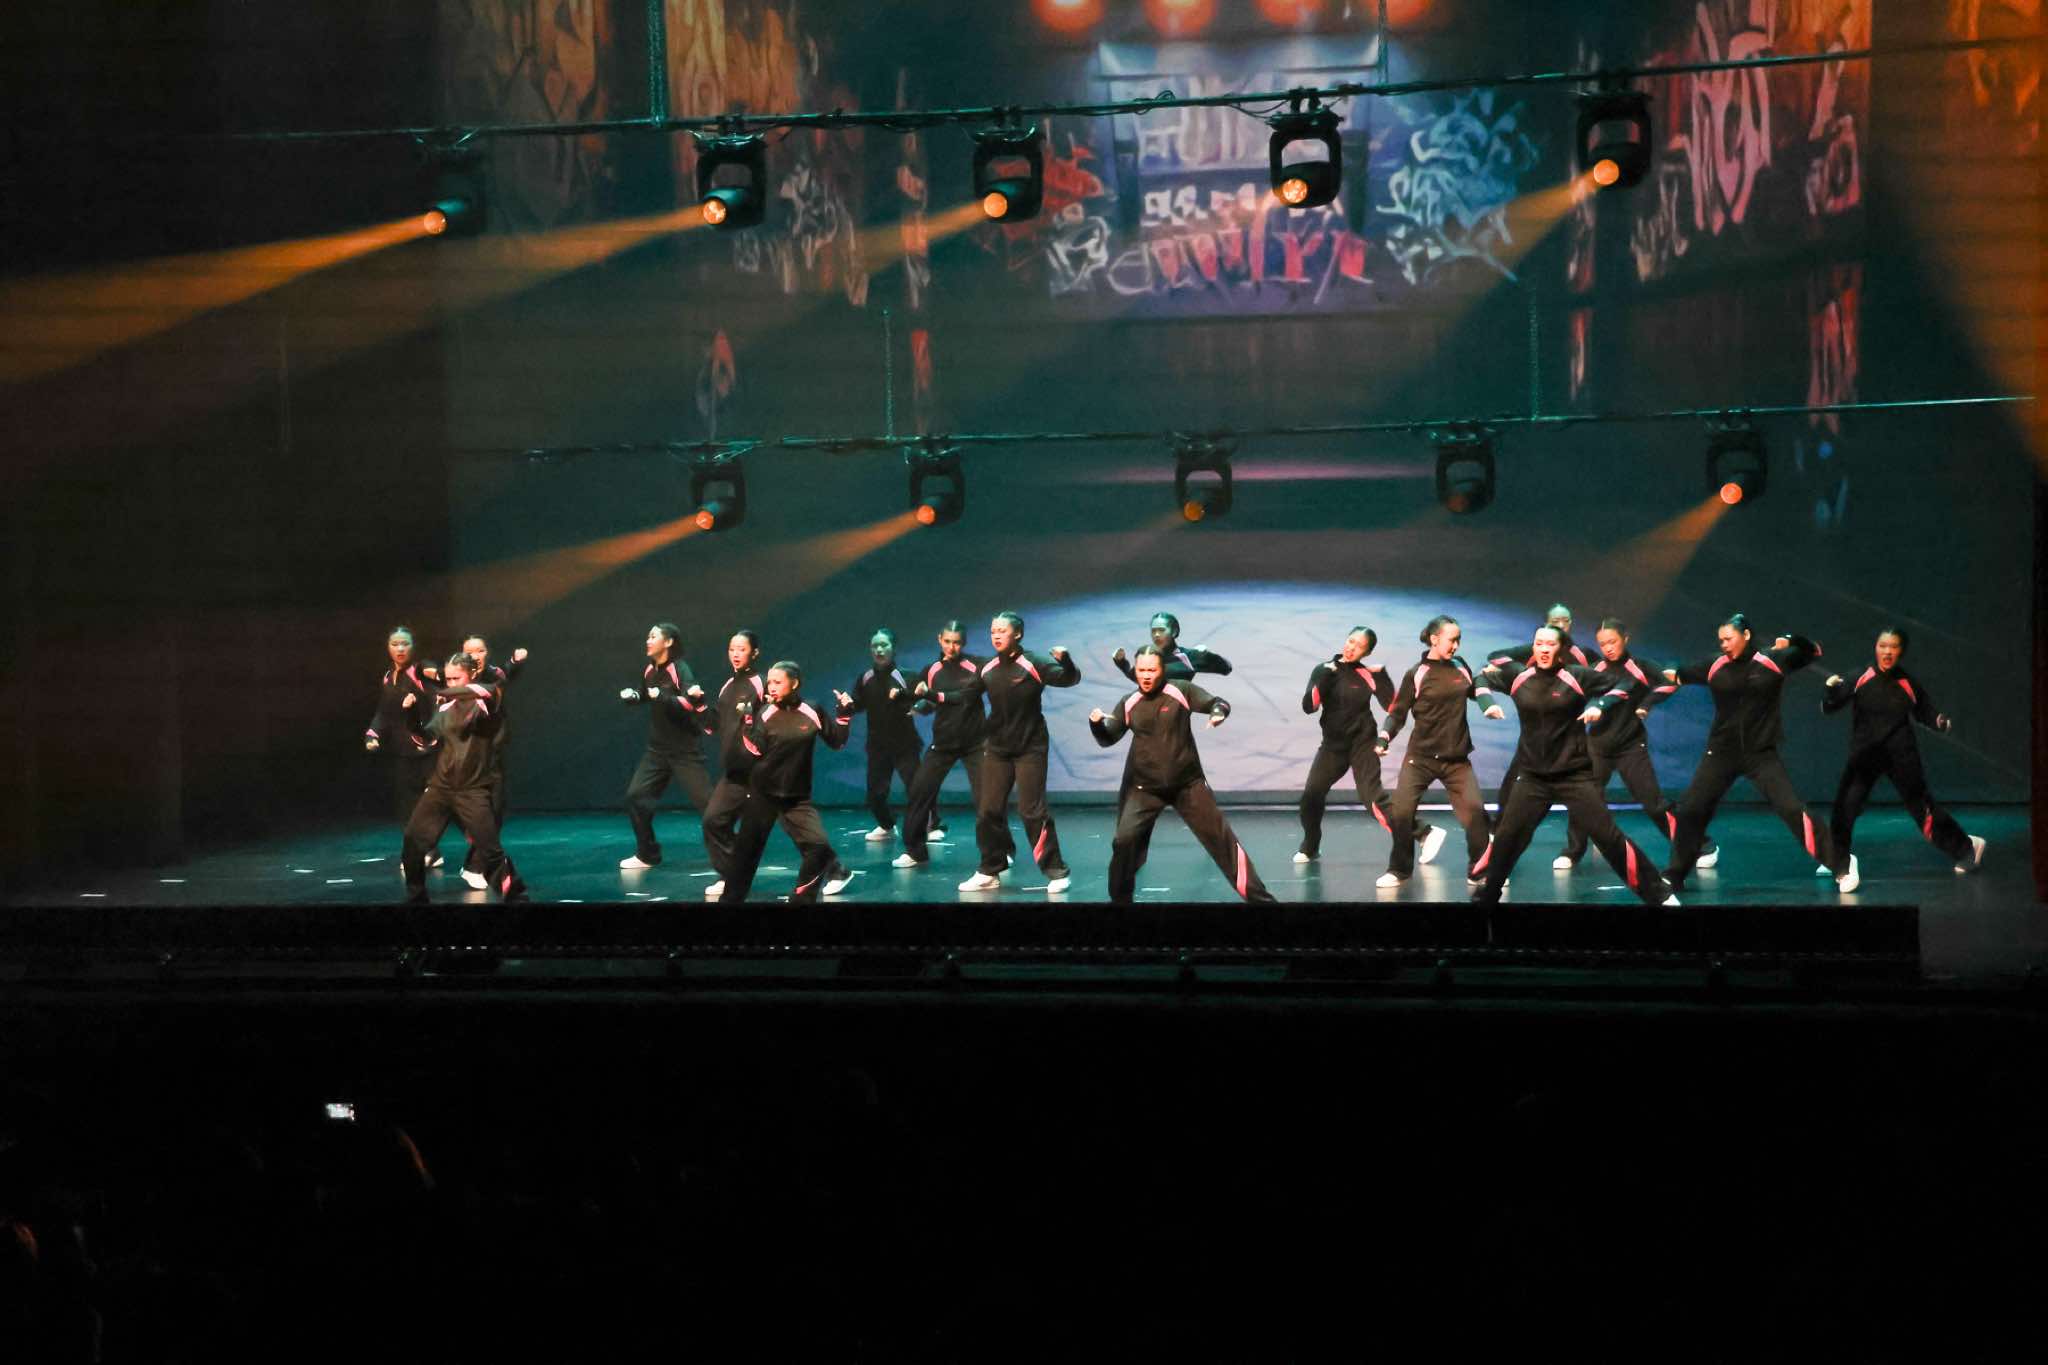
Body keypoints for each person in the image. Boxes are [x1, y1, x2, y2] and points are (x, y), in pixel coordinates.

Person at [1471, 628, 1677, 906]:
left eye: (1550, 644)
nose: (1544, 649)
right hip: (1533, 778)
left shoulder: (1576, 676)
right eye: (1539, 644)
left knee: (1608, 837)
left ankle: (1660, 896)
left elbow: (1624, 684)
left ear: (1561, 649)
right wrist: (1486, 702)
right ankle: (1486, 900)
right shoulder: (1519, 676)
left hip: (1573, 776)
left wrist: (1600, 704)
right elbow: (1482, 676)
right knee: (1507, 837)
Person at [1659, 613, 1859, 892]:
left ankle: (1841, 864)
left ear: (1746, 635)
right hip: (1721, 753)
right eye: (1721, 640)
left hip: (1760, 754)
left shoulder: (1773, 660)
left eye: (1729, 638)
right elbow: (1679, 673)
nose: (1724, 644)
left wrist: (1790, 639)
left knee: (1791, 809)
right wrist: (1667, 672)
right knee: (1692, 808)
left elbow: (1812, 651)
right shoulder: (1715, 665)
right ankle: (1674, 874)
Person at [1091, 646, 1275, 903]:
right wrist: (1096, 724)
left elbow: (1218, 702)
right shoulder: (1129, 702)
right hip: (1144, 789)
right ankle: (1120, 904)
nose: (1146, 675)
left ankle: (1263, 902)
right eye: (1141, 670)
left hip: (1187, 786)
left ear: (1162, 670)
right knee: (1123, 842)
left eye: (1152, 670)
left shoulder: (1180, 690)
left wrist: (1218, 713)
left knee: (1222, 841)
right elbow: (1107, 738)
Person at [1553, 616, 1718, 871]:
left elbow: (1669, 681)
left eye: (1612, 642)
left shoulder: (1641, 668)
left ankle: (1700, 845)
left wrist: (1646, 703)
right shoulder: (1596, 669)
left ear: (1625, 639)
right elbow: (1578, 693)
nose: (1608, 648)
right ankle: (1573, 851)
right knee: (1584, 798)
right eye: (1602, 643)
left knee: (1654, 804)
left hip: (1630, 746)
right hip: (1597, 746)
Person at [1820, 627, 1985, 875]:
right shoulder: (1859, 677)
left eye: (1894, 647)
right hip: (1865, 756)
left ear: (1901, 651)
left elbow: (1926, 712)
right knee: (1845, 806)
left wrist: (1939, 721)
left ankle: (1966, 849)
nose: (1887, 652)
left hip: (1901, 756)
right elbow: (1829, 707)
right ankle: (1837, 858)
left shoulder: (1907, 683)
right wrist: (1830, 692)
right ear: (1876, 648)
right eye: (1883, 646)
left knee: (1923, 810)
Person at [1295, 626, 1444, 866]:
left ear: (1367, 652)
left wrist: (1383, 677)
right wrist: (1324, 678)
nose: (1352, 648)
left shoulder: (1366, 674)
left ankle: (1425, 833)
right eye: (1351, 641)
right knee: (1311, 796)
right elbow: (1309, 707)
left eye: (1359, 646)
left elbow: (1392, 707)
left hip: (1362, 744)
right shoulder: (1324, 669)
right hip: (1332, 747)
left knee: (1372, 799)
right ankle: (1310, 847)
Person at [1374, 615, 1501, 889]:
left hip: (1456, 759)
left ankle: (1479, 871)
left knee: (1475, 813)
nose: (1456, 646)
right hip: (1420, 758)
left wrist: (1489, 697)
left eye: (1459, 640)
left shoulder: (1460, 666)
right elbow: (1397, 713)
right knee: (1401, 813)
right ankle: (1399, 870)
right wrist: (1384, 737)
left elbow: (1476, 690)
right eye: (1451, 640)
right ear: (1434, 639)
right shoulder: (1417, 673)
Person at [958, 612, 1079, 894]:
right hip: (998, 749)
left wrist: (1066, 661)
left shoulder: (1033, 663)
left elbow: (1070, 679)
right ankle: (990, 869)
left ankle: (1057, 871)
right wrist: (928, 697)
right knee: (988, 811)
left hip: (1030, 748)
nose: (996, 636)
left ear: (1018, 634)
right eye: (993, 631)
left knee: (1031, 811)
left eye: (1002, 631)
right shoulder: (988, 668)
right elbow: (964, 696)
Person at [718, 661, 855, 903]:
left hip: (797, 798)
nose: (771, 686)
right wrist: (747, 720)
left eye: (777, 682)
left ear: (794, 684)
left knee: (819, 848)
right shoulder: (766, 712)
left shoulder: (812, 710)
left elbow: (837, 742)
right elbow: (755, 750)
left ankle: (801, 899)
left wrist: (844, 715)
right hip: (763, 795)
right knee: (744, 857)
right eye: (769, 682)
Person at [401, 654, 527, 903]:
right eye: (447, 679)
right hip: (441, 787)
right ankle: (416, 899)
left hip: (472, 790)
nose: (450, 683)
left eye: (456, 678)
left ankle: (517, 899)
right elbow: (426, 738)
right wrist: (412, 714)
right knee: (413, 843)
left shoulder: (486, 698)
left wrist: (443, 691)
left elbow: (483, 690)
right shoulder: (445, 707)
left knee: (490, 852)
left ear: (472, 675)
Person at [893, 621, 998, 870]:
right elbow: (929, 701)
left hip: (974, 743)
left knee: (987, 801)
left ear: (964, 643)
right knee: (919, 792)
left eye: (957, 642)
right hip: (943, 743)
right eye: (948, 641)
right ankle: (915, 851)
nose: (952, 647)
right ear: (939, 639)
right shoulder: (931, 670)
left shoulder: (976, 666)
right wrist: (917, 706)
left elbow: (960, 698)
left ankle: (998, 853)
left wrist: (928, 696)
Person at [618, 622, 715, 871]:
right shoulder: (650, 669)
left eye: (653, 636)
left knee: (709, 807)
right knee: (636, 797)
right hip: (657, 751)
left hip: (685, 751)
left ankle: (732, 860)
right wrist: (634, 697)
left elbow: (690, 703)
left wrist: (661, 696)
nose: (648, 641)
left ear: (668, 642)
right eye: (648, 636)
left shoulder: (679, 669)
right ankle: (647, 854)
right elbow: (644, 693)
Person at [1485, 603, 1589, 817]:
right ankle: (1500, 825)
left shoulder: (1580, 656)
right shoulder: (1535, 651)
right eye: (1555, 622)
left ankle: (1582, 834)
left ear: (1571, 624)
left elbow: (1604, 678)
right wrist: (1515, 671)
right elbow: (1496, 656)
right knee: (1515, 779)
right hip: (1536, 732)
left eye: (1565, 621)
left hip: (1569, 734)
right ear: (1546, 625)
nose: (1561, 625)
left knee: (1582, 789)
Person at [363, 626, 445, 872]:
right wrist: (373, 733)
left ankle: (427, 849)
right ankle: (427, 851)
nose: (400, 648)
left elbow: (438, 700)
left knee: (431, 805)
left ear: (413, 646)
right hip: (402, 752)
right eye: (395, 644)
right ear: (388, 647)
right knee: (408, 806)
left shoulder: (421, 670)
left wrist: (430, 734)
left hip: (428, 751)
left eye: (405, 643)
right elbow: (384, 712)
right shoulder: (389, 677)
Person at [455, 633, 528, 890]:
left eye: (480, 651)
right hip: (466, 756)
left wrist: (516, 661)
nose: (476, 656)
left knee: (495, 811)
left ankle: (474, 866)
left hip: (492, 755)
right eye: (470, 652)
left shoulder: (494, 674)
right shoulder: (458, 678)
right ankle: (470, 862)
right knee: (472, 812)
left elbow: (506, 671)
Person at [695, 630, 764, 900]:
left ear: (754, 653)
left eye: (741, 649)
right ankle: (734, 876)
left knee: (796, 827)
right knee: (714, 822)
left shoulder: (760, 684)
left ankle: (835, 869)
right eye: (732, 649)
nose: (735, 654)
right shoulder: (728, 686)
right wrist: (700, 705)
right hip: (735, 774)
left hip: (758, 773)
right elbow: (714, 725)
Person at [847, 628, 927, 844]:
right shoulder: (866, 678)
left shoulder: (906, 676)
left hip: (905, 744)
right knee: (875, 794)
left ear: (894, 648)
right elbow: (858, 705)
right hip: (877, 745)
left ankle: (929, 826)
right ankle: (887, 825)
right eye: (875, 646)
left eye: (884, 645)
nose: (879, 650)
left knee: (917, 789)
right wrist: (848, 704)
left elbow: (925, 699)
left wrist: (917, 704)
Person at [1112, 611, 1232, 683]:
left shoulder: (1188, 657)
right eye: (1153, 631)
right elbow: (1138, 678)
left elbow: (1226, 668)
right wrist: (1121, 662)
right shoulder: (1149, 656)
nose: (1156, 635)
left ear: (1174, 632)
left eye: (1161, 630)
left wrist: (1209, 656)